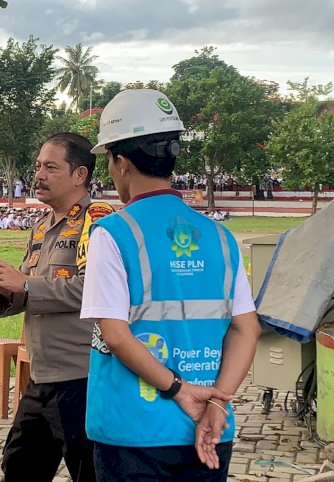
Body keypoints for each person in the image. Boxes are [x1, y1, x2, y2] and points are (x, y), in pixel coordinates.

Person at [79, 89, 261, 481]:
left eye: (109, 163)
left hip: (133, 431)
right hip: (209, 429)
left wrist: (179, 389)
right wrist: (217, 404)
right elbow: (248, 328)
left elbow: (115, 334)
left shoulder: (112, 234)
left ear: (121, 162)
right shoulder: (220, 236)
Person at [0, 133, 114, 482]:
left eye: (51, 167)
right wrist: (9, 288)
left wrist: (24, 284)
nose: (39, 174)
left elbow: (93, 289)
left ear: (80, 175)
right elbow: (33, 288)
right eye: (39, 166)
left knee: (88, 472)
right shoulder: (42, 226)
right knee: (19, 467)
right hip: (40, 375)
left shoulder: (97, 222)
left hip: (79, 377)